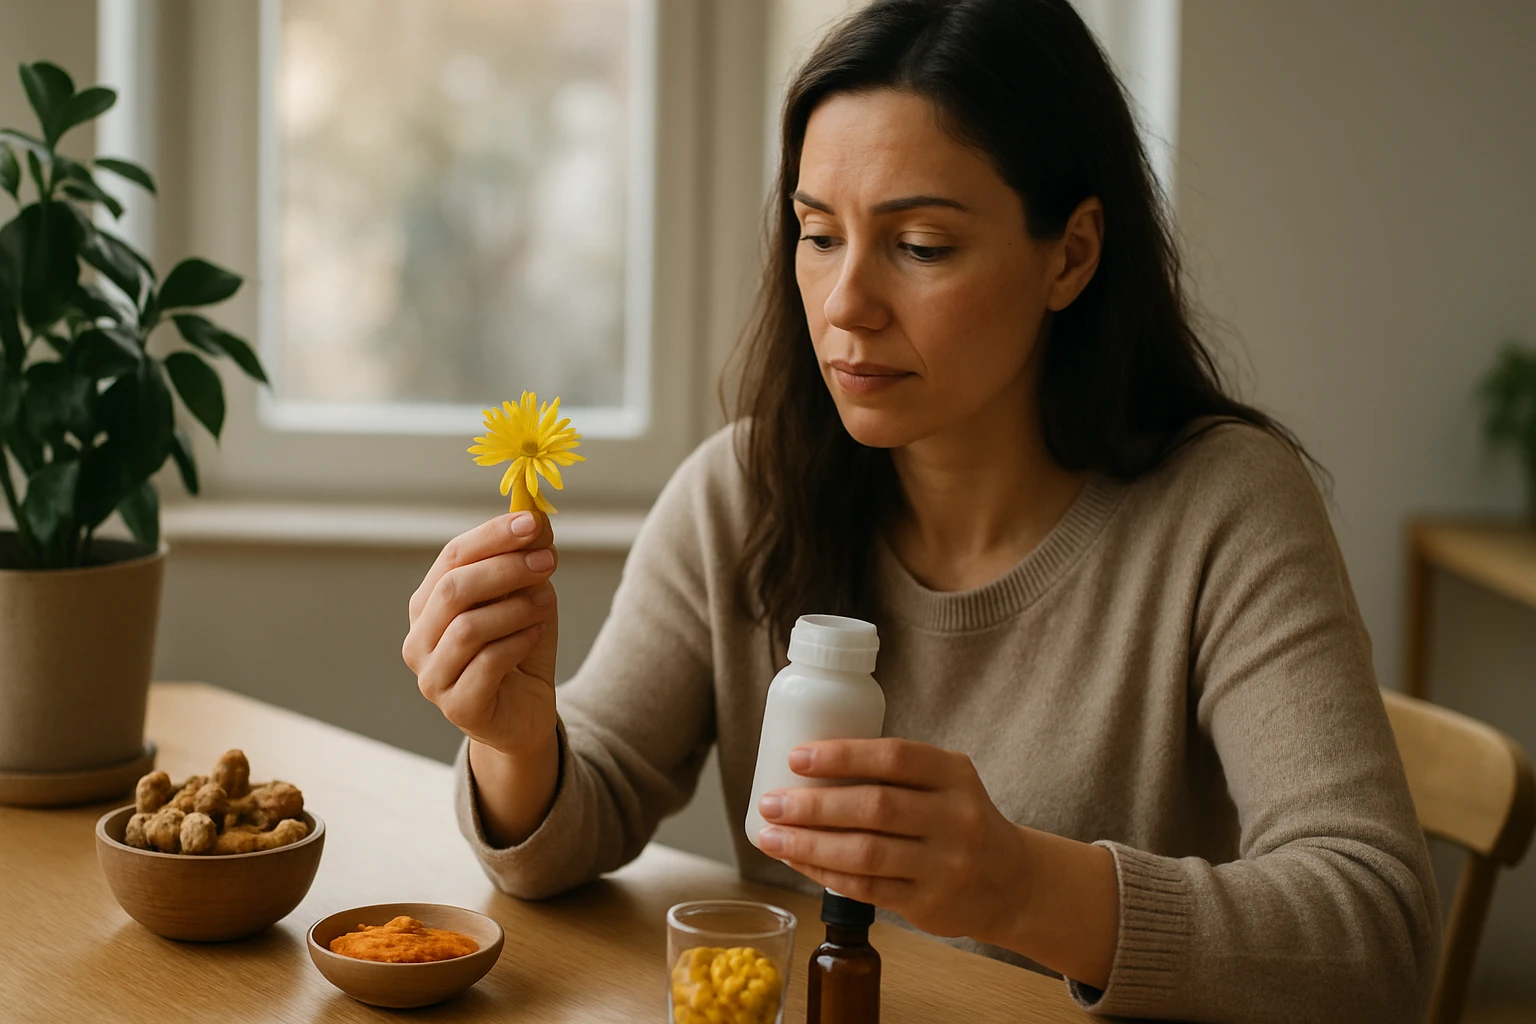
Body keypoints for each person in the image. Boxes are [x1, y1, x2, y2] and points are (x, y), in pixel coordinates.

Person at [402, 1, 1439, 1019]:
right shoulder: (743, 494)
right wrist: (518, 742)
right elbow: (569, 825)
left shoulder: (1222, 507)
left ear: (1072, 254)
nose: (845, 302)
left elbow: (1378, 934)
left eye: (923, 246)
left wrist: (1025, 888)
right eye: (818, 234)